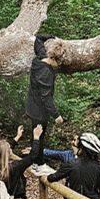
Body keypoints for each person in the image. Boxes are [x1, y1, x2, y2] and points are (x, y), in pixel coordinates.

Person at [25, 34, 64, 165]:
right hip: (39, 111)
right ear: (53, 58)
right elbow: (46, 97)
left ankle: (35, 159)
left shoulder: (40, 57)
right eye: (58, 62)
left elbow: (38, 38)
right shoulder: (45, 73)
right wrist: (56, 115)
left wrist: (53, 37)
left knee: (36, 135)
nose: (58, 65)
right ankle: (37, 163)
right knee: (39, 137)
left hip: (32, 105)